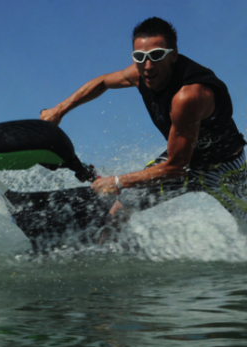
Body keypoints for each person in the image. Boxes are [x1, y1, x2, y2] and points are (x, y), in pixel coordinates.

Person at [40, 17, 247, 238]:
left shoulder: (189, 95)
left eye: (156, 56)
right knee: (119, 210)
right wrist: (59, 110)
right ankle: (108, 255)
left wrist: (118, 181)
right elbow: (102, 82)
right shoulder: (140, 73)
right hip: (179, 159)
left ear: (173, 55)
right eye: (140, 57)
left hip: (224, 167)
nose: (147, 66)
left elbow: (177, 168)